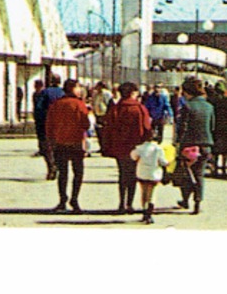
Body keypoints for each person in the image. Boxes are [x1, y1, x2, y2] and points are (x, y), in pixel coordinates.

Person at [100, 82, 152, 213]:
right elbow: (147, 128)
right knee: (133, 175)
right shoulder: (140, 108)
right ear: (133, 93)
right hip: (136, 147)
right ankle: (130, 203)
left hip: (119, 147)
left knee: (122, 174)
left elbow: (108, 128)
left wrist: (107, 146)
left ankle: (121, 203)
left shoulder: (116, 109)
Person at [45, 79, 92, 213]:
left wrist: (52, 140)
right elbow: (86, 124)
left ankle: (62, 200)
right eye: (78, 87)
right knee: (78, 172)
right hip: (76, 142)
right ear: (73, 89)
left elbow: (49, 125)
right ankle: (74, 199)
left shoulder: (56, 104)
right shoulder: (79, 104)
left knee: (63, 173)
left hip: (60, 143)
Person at [174, 76, 215, 214]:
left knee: (185, 173)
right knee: (199, 174)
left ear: (187, 92)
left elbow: (181, 127)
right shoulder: (209, 107)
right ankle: (198, 202)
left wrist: (178, 143)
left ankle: (185, 199)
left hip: (189, 145)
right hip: (205, 144)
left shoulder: (187, 106)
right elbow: (212, 126)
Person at [131, 132, 168, 223]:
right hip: (154, 174)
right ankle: (149, 214)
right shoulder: (158, 149)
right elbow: (163, 162)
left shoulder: (139, 148)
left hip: (142, 173)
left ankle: (144, 212)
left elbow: (133, 157)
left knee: (143, 193)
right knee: (151, 194)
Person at [34, 72, 65, 177]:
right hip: (61, 124)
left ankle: (51, 166)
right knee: (58, 146)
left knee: (46, 147)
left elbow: (39, 108)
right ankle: (57, 164)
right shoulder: (63, 93)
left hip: (46, 123)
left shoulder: (45, 92)